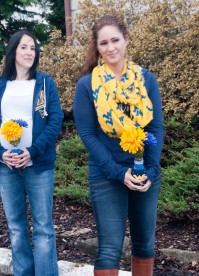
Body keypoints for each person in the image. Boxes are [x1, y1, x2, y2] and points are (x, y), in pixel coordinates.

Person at [73, 15, 164, 276]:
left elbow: (155, 127)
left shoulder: (146, 80)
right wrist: (116, 172)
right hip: (106, 173)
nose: (110, 47)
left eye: (115, 40)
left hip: (144, 172)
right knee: (109, 249)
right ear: (97, 47)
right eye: (104, 43)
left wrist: (151, 170)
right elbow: (88, 135)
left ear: (126, 40)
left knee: (145, 246)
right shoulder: (87, 85)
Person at [0, 30, 63, 276]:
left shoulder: (44, 83)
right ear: (13, 50)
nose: (29, 52)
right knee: (15, 227)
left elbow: (55, 120)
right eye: (24, 47)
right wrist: (1, 154)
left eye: (33, 48)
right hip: (6, 167)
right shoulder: (2, 85)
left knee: (44, 227)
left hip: (38, 165)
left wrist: (33, 151)